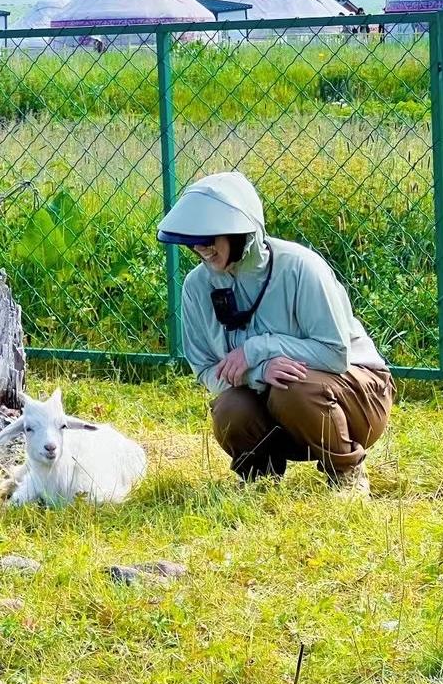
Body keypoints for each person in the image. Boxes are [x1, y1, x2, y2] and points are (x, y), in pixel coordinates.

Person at [156, 171, 394, 494]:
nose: (202, 248)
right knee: (229, 410)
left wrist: (258, 349)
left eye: (211, 237)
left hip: (359, 394)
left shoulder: (300, 268)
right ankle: (262, 480)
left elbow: (335, 355)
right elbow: (206, 370)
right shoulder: (196, 288)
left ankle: (347, 473)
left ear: (240, 232)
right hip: (276, 400)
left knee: (291, 388)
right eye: (195, 240)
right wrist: (260, 371)